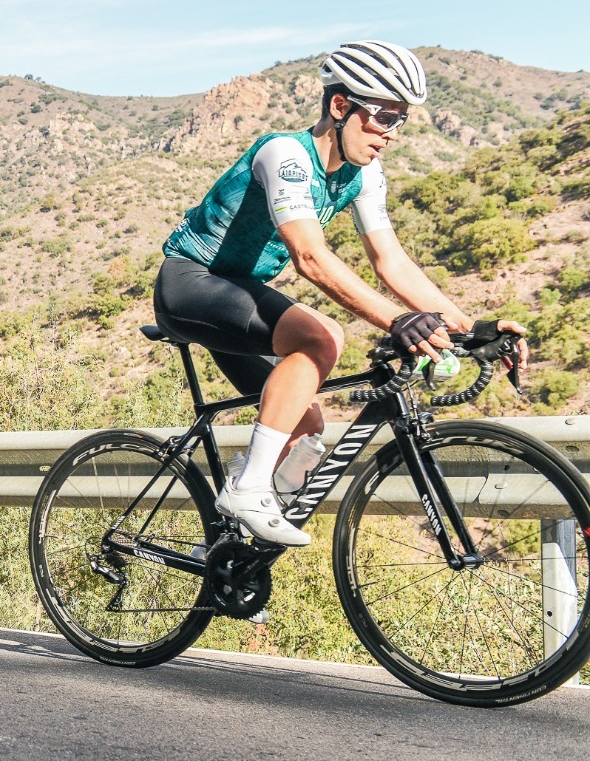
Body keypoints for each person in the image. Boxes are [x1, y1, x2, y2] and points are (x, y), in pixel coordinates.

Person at [154, 41, 526, 547]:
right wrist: (396, 320)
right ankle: (246, 490)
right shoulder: (285, 153)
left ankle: (229, 548)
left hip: (239, 293)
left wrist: (469, 328)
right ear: (339, 106)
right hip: (189, 284)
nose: (392, 134)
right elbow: (308, 255)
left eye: (402, 121)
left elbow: (390, 262)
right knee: (322, 337)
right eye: (385, 117)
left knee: (305, 431)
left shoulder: (365, 175)